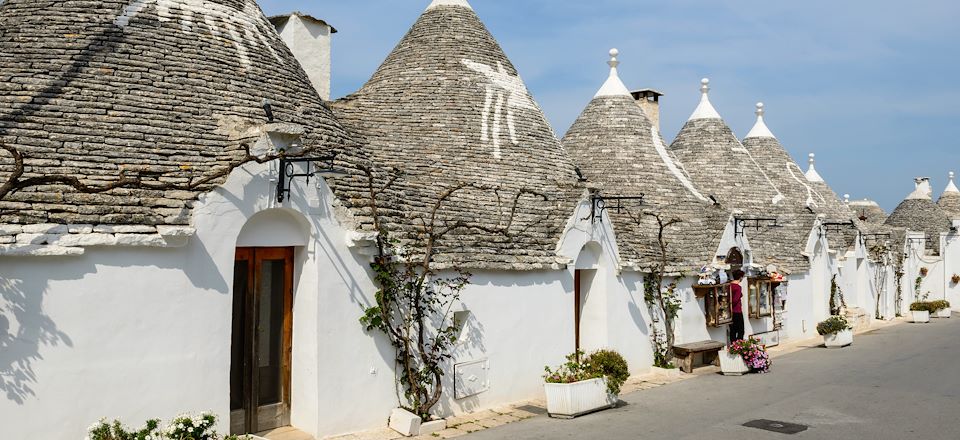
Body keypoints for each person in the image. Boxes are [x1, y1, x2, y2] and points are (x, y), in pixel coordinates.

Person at [730, 269, 745, 342]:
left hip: (730, 312)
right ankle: (739, 347)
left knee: (732, 331)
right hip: (737, 311)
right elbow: (735, 300)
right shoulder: (738, 287)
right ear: (741, 277)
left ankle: (733, 347)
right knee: (740, 331)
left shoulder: (729, 285)